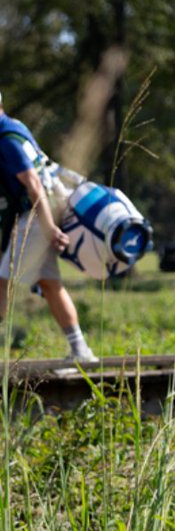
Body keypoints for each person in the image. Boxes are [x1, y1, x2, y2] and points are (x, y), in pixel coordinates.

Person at [0, 91, 98, 364]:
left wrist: (48, 227)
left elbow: (33, 184)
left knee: (2, 281)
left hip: (36, 214)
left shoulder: (6, 140)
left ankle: (81, 350)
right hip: (46, 208)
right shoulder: (15, 127)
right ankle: (81, 350)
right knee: (50, 283)